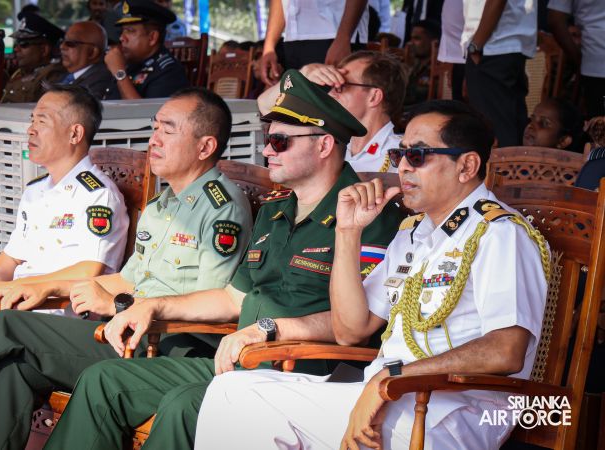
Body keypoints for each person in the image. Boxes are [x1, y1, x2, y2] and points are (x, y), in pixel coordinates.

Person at [42, 69, 403, 450]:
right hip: (240, 360)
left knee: (184, 406)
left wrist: (268, 329)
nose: (266, 151)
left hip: (302, 370)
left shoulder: (369, 216)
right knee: (104, 379)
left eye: (279, 141)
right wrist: (153, 305)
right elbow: (234, 297)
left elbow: (356, 325)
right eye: (268, 140)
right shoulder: (275, 210)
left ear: (325, 145)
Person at [195, 100, 550, 450]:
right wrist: (347, 232)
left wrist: (390, 378)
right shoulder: (414, 233)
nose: (403, 167)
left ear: (467, 165)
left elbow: (506, 350)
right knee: (233, 389)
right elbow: (351, 330)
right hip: (390, 396)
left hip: (447, 411)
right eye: (399, 155)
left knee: (237, 400)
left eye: (418, 156)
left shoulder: (499, 233)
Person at [0, 87, 252, 450]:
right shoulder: (163, 205)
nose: (154, 140)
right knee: (15, 368)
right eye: (154, 128)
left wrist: (119, 306)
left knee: (7, 327)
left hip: (168, 345)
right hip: (129, 334)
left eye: (168, 130)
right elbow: (128, 279)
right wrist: (50, 288)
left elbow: (210, 303)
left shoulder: (222, 208)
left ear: (205, 147)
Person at [0, 84, 129, 386]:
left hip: (51, 319)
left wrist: (18, 287)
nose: (30, 129)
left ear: (75, 134)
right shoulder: (35, 190)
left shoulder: (97, 196)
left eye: (42, 121)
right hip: (11, 309)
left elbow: (89, 271)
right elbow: (10, 257)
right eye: (32, 120)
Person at [259, 51, 408, 173]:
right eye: (332, 85)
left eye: (341, 86)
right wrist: (303, 75)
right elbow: (264, 104)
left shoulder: (402, 155)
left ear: (374, 97)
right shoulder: (328, 140)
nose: (330, 93)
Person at [462, 0, 537, 147]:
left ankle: (505, 163)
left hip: (492, 46)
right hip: (501, 46)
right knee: (509, 127)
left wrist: (476, 46)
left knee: (494, 133)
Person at [260, 0, 369, 85]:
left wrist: (343, 38)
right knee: (298, 102)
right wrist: (269, 47)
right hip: (293, 38)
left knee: (334, 103)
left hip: (334, 34)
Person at [104, 0, 189, 100]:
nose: (122, 38)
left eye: (130, 31)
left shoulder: (169, 72)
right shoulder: (131, 64)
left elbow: (141, 110)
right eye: (122, 31)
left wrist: (119, 72)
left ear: (152, 38)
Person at [548, 0, 605, 118]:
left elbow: (555, 19)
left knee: (599, 124)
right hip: (596, 62)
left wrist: (578, 58)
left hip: (596, 61)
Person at [0, 12, 66, 103]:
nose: (16, 49)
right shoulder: (20, 73)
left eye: (23, 44)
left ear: (44, 50)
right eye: (16, 44)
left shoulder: (52, 75)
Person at [59, 21, 114, 99]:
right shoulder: (61, 75)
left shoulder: (100, 80)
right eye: (62, 41)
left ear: (92, 52)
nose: (62, 46)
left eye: (70, 43)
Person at [404, 19, 441, 107]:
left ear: (434, 41)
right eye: (411, 38)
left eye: (417, 38)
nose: (411, 43)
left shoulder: (441, 69)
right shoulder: (411, 64)